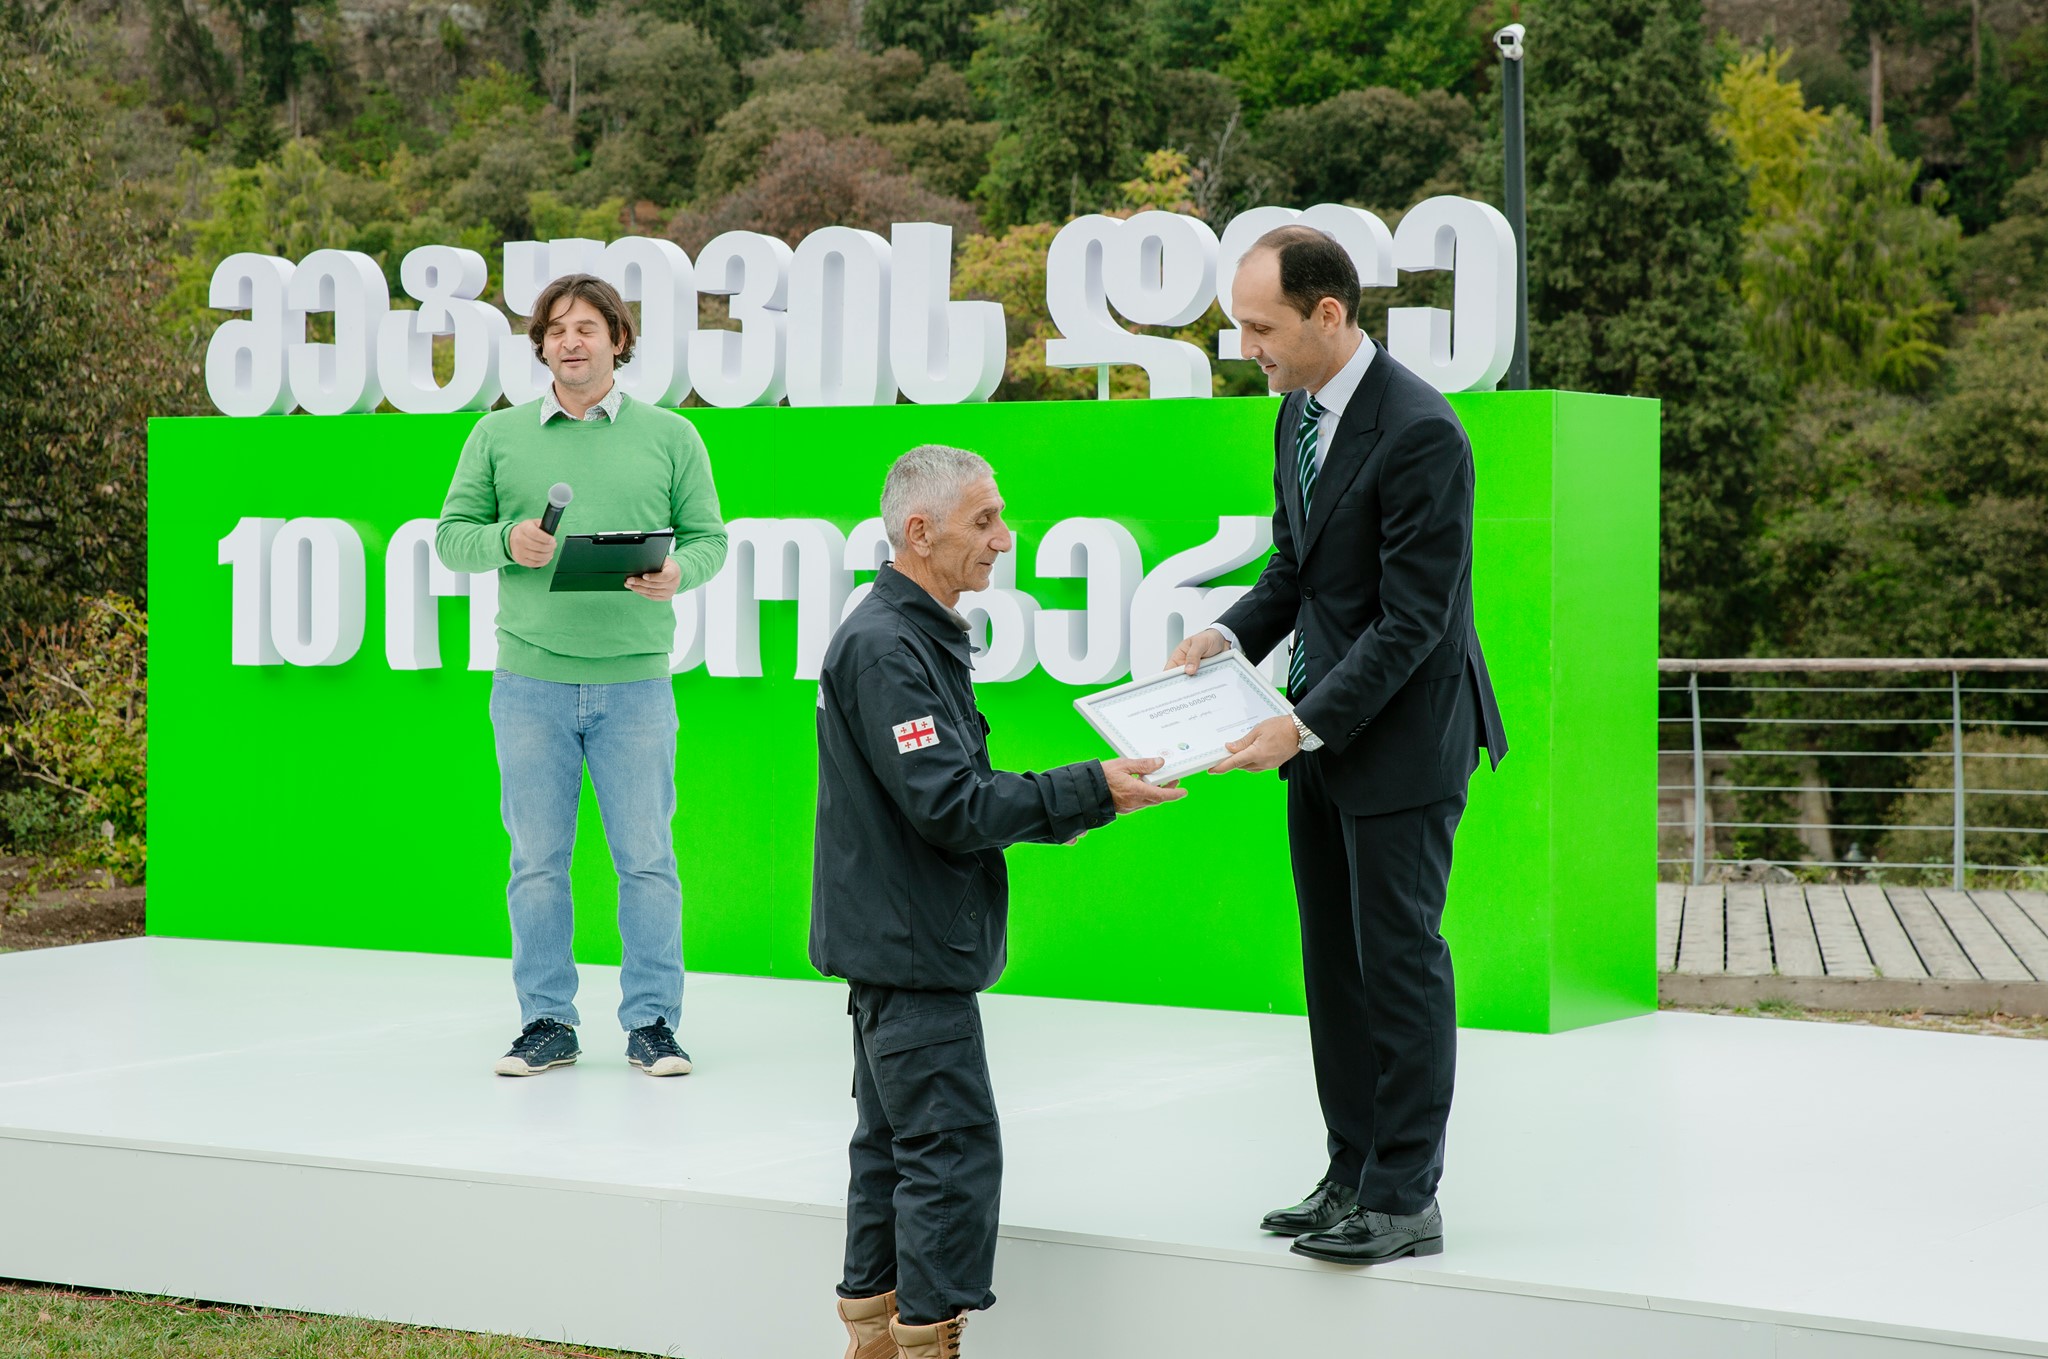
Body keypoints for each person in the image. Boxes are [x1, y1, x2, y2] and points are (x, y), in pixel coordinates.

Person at [1171, 225, 1508, 1264]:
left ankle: (1404, 1198)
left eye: (1260, 327)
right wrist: (1226, 635)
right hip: (1316, 737)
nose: (1247, 349)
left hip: (1399, 741)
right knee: (1334, 967)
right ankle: (1350, 1173)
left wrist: (1301, 722)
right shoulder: (1296, 415)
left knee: (1398, 966)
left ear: (1328, 313)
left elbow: (1413, 623)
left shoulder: (1422, 432)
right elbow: (1297, 572)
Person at [812, 445, 1182, 1359]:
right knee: (947, 1159)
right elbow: (949, 803)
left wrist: (1078, 800)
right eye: (984, 520)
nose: (1005, 539)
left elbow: (945, 792)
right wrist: (1089, 789)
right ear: (920, 531)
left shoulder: (908, 634)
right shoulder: (888, 647)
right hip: (911, 954)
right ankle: (923, 1342)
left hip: (901, 944)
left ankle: (875, 1338)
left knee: (894, 1151)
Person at [436, 273, 728, 1079]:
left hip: (637, 686)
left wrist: (678, 572)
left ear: (618, 340)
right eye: (556, 329)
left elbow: (710, 539)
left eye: (587, 327)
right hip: (529, 685)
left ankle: (654, 1024)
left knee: (647, 861)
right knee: (536, 863)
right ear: (541, 345)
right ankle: (547, 1022)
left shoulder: (672, 435)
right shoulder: (496, 436)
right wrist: (507, 541)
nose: (570, 341)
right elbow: (451, 535)